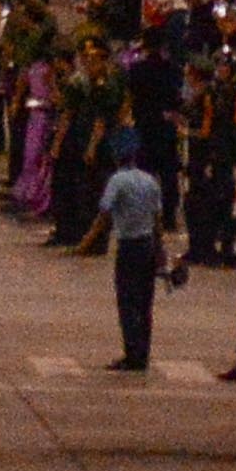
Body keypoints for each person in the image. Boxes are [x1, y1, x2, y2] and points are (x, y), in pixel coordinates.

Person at [89, 143, 182, 372]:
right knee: (144, 302)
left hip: (129, 246)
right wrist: (160, 250)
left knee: (127, 301)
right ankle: (143, 353)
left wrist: (87, 241)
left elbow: (105, 211)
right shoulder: (150, 181)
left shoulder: (117, 180)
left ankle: (132, 353)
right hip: (148, 244)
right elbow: (157, 218)